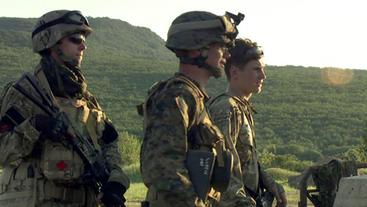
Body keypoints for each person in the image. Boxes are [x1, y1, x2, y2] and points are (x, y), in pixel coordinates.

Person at [0, 10, 129, 207]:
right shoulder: (24, 92)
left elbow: (110, 148)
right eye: (76, 39)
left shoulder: (87, 101)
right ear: (51, 42)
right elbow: (3, 152)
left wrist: (116, 184)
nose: (83, 46)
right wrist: (35, 126)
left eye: (84, 40)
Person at [138, 11, 244, 207]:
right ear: (198, 49)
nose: (227, 55)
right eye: (221, 46)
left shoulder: (195, 97)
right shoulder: (176, 96)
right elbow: (165, 170)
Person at [208, 38, 287, 207]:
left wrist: (270, 183)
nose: (263, 75)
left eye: (263, 69)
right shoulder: (226, 108)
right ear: (235, 72)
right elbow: (223, 169)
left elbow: (246, 160)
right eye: (256, 69)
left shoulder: (241, 108)